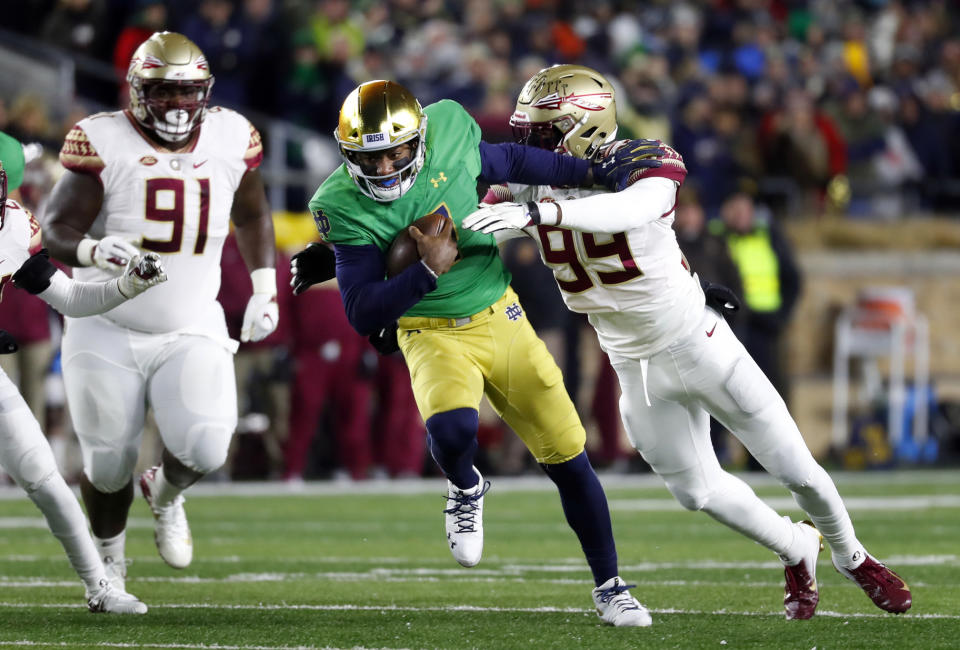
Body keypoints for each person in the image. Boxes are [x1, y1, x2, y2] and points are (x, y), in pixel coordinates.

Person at [464, 64, 912, 622]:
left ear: (586, 125)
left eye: (542, 130)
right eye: (526, 128)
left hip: (699, 342)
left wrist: (536, 212)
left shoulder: (641, 161)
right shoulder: (529, 185)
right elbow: (467, 226)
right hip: (631, 362)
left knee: (796, 469)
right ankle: (796, 547)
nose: (529, 141)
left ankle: (852, 556)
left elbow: (629, 209)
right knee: (695, 493)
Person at [290, 79, 664, 627]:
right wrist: (424, 271)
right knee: (452, 432)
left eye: (397, 150)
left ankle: (611, 586)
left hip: (498, 312)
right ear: (349, 154)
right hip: (429, 328)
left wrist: (589, 172)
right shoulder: (339, 203)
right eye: (372, 156)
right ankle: (466, 485)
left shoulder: (449, 130)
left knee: (569, 456)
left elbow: (507, 158)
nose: (388, 164)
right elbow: (363, 313)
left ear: (420, 139)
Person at [42, 32, 279, 589]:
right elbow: (54, 229)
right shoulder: (102, 138)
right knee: (105, 465)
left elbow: (251, 215)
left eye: (188, 92)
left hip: (192, 321)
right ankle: (108, 562)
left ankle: (165, 494)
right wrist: (92, 250)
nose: (177, 105)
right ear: (136, 90)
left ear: (206, 92)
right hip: (104, 324)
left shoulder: (230, 134)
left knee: (206, 445)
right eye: (162, 92)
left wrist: (265, 289)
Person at [0, 154, 164, 614]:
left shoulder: (12, 226)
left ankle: (100, 585)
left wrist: (125, 288)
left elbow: (68, 297)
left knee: (46, 477)